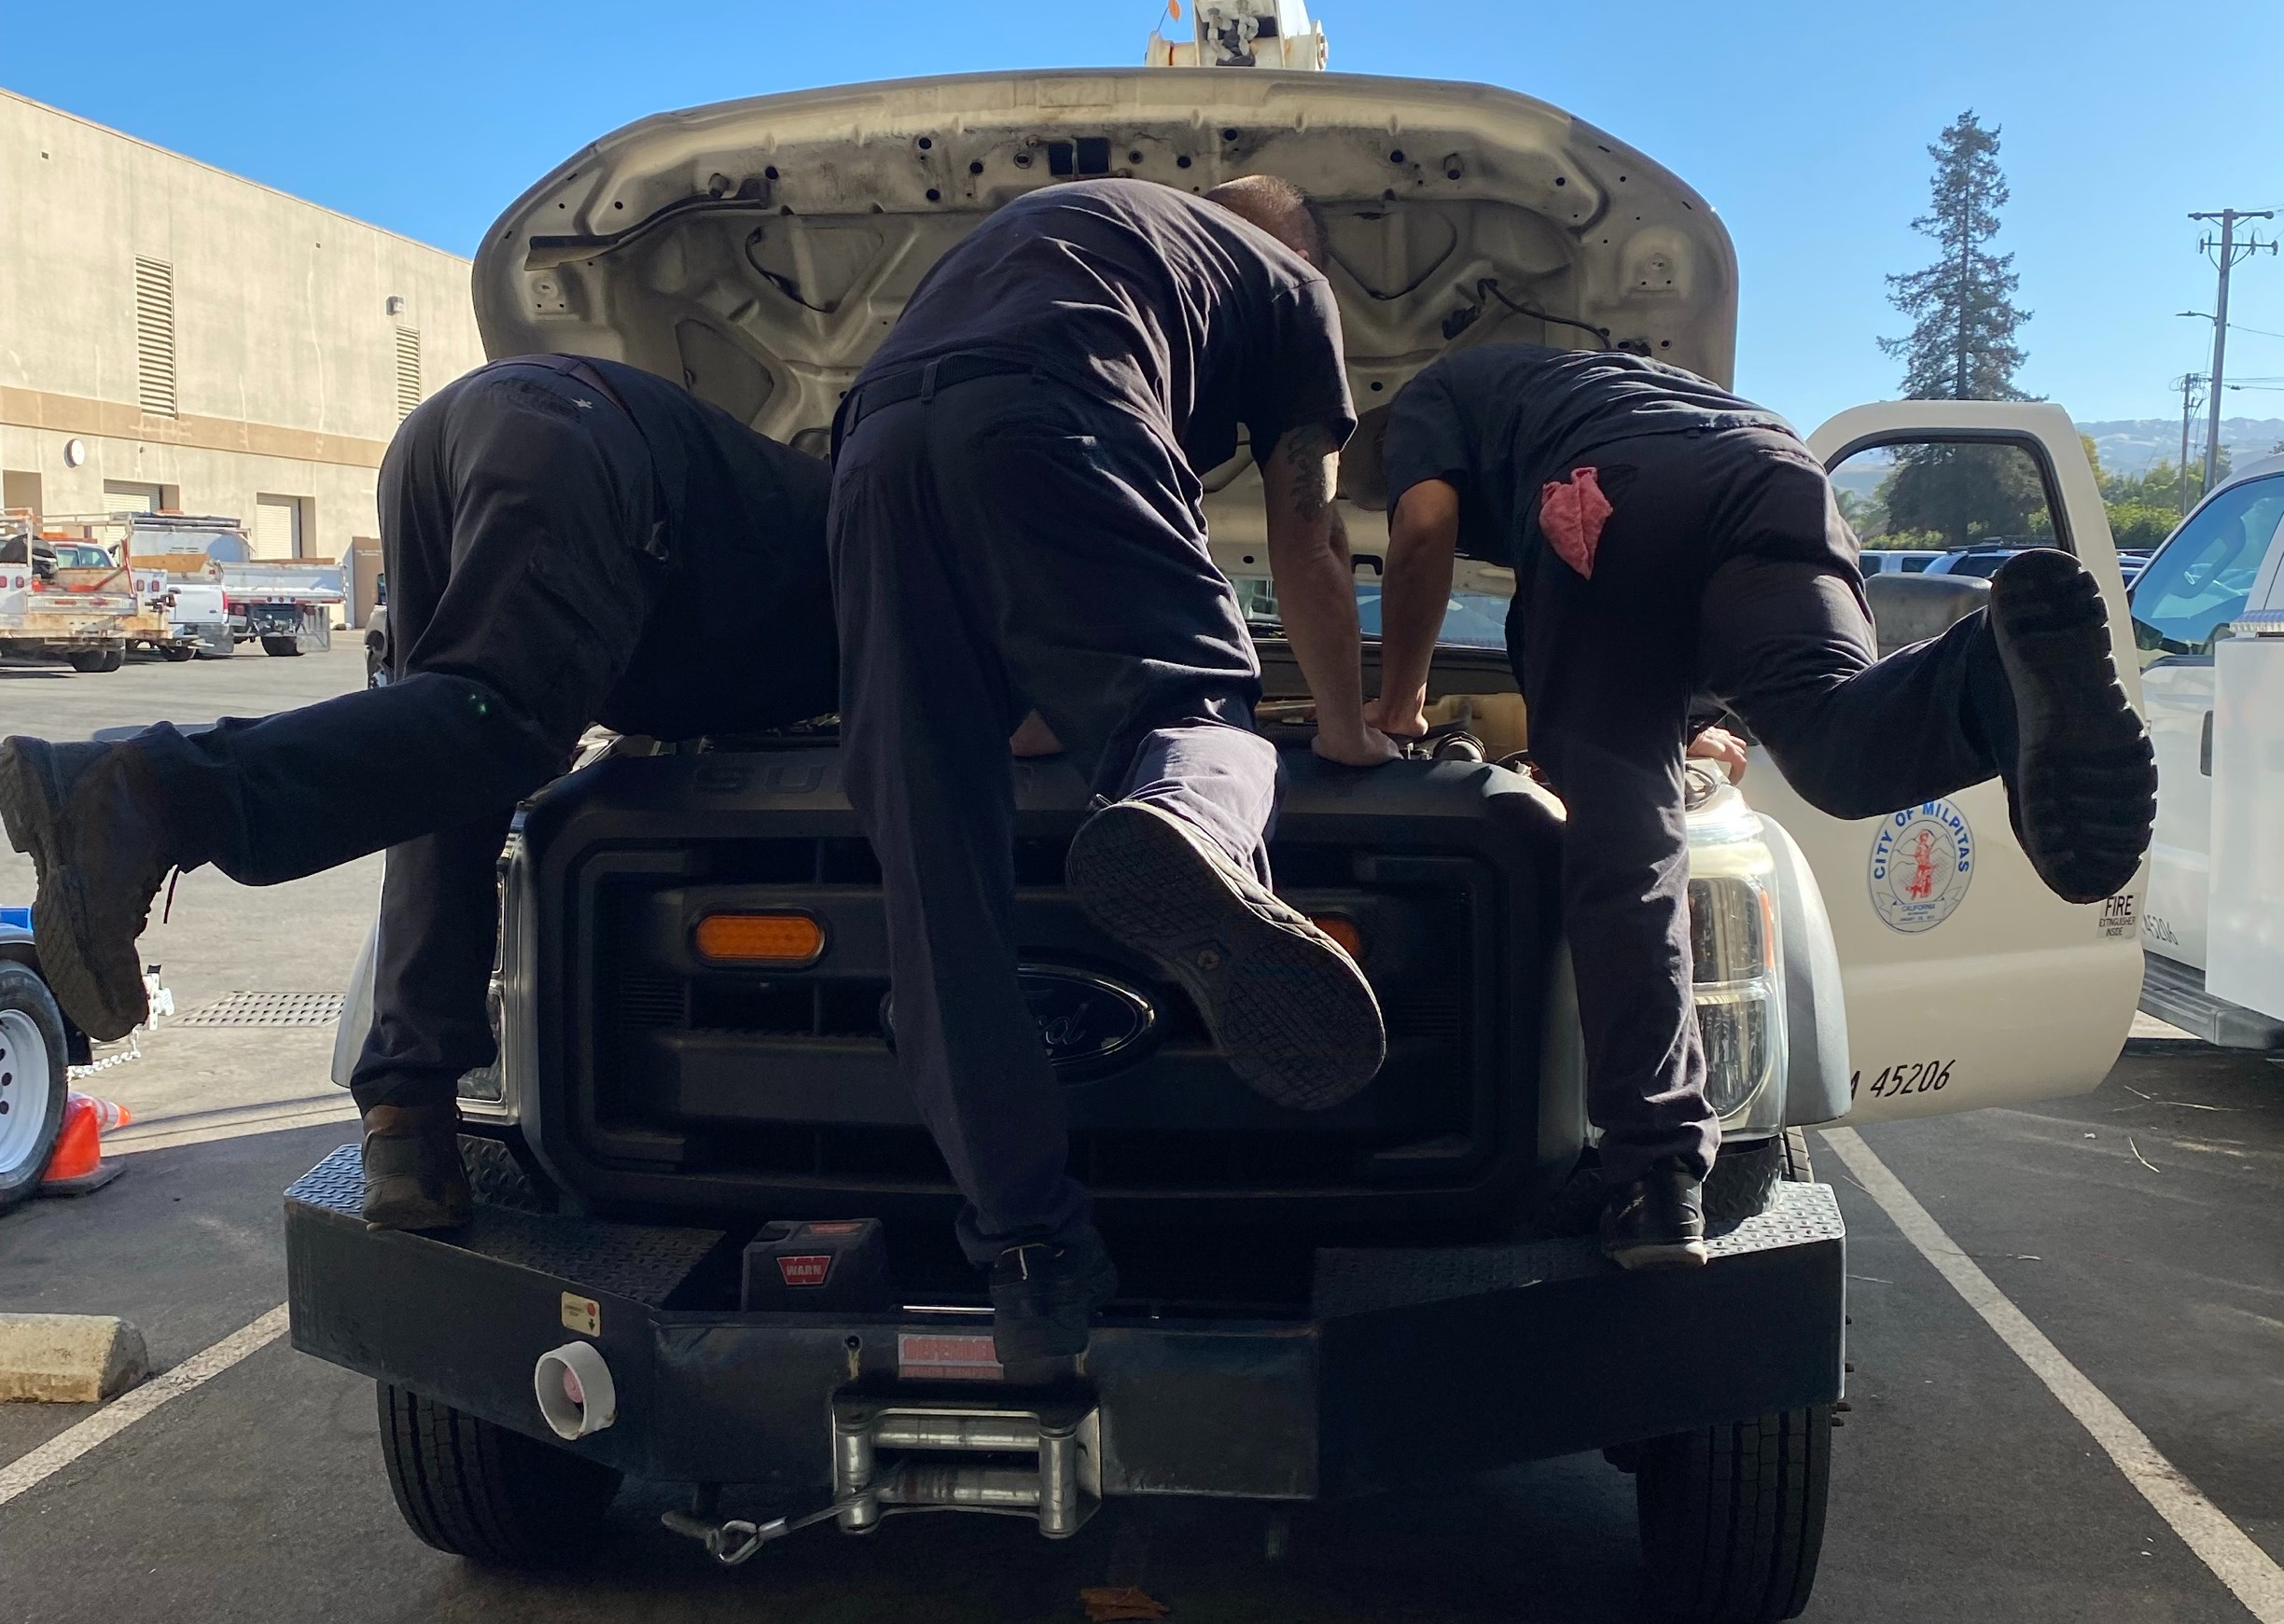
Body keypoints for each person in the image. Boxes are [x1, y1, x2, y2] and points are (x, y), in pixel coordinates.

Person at [1359, 342, 2158, 1268]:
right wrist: (1687, 721)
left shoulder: (1425, 401)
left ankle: (1655, 1178)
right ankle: (1981, 673)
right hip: (1776, 473)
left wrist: (1398, 706)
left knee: (1628, 858)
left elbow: (1421, 530)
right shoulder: (1596, 383)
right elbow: (1679, 573)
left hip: (1604, 502)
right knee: (1828, 739)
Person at [0, 355, 838, 1228]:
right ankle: (142, 793)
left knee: (453, 759)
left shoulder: (812, 520)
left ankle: (408, 1120)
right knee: (499, 723)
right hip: (580, 442)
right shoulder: (892, 560)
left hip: (465, 432)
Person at [829, 174, 1396, 1369]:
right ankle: (1188, 819)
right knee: (1197, 712)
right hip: (1060, 412)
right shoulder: (1292, 283)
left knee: (934, 880)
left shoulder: (1069, 231)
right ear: (1301, 246)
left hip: (872, 447)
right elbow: (1308, 532)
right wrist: (1348, 729)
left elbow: (1016, 578)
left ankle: (1031, 1261)